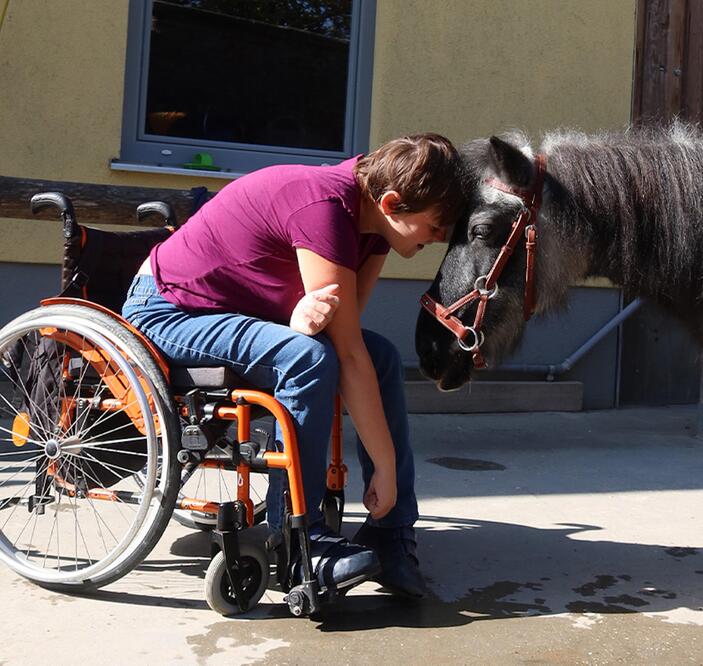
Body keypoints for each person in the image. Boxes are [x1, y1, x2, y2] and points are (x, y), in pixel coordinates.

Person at [122, 134, 465, 599]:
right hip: (169, 311)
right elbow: (342, 351)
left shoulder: (375, 225)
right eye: (437, 224)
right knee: (309, 359)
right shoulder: (325, 207)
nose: (441, 238)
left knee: (378, 354)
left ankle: (391, 529)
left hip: (235, 313)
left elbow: (347, 332)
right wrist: (383, 468)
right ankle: (300, 539)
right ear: (392, 202)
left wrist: (296, 319)